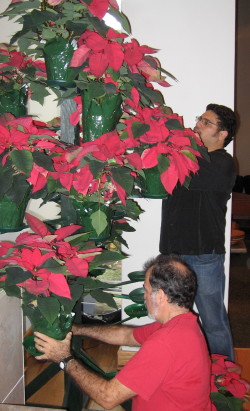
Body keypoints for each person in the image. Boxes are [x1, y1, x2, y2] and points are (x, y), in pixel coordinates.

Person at [34, 254, 212, 410]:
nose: (144, 296)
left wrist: (64, 358)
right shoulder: (183, 323)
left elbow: (108, 397)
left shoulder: (165, 343)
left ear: (161, 297)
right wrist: (77, 329)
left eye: (146, 290)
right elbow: (125, 335)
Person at [160, 103, 237, 361]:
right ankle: (183, 368)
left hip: (204, 256)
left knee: (213, 322)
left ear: (223, 133)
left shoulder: (222, 163)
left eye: (206, 122)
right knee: (172, 320)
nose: (198, 125)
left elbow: (184, 174)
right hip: (174, 253)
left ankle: (224, 382)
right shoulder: (188, 156)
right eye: (199, 119)